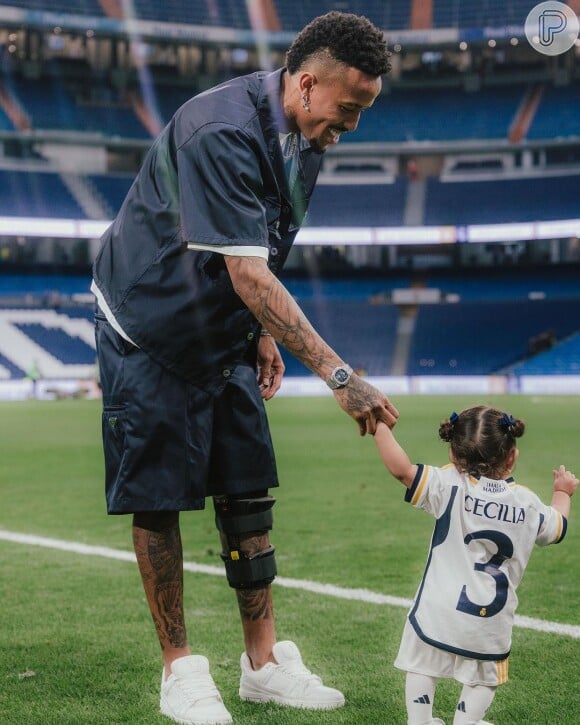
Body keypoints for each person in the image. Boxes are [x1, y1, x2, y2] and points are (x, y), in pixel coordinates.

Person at [91, 11, 398, 725]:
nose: (350, 126)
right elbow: (247, 270)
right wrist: (341, 376)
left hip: (222, 321)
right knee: (161, 496)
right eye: (348, 109)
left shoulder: (309, 137)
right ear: (306, 81)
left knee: (246, 487)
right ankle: (181, 671)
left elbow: (265, 250)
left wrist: (261, 330)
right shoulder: (221, 128)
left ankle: (262, 664)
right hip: (150, 322)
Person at [372, 405, 578, 725]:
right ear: (511, 457)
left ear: (454, 455)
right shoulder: (527, 503)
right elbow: (557, 529)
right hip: (488, 622)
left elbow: (402, 470)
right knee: (483, 678)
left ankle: (420, 720)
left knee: (422, 664)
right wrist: (562, 492)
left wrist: (379, 427)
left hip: (437, 611)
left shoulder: (449, 484)